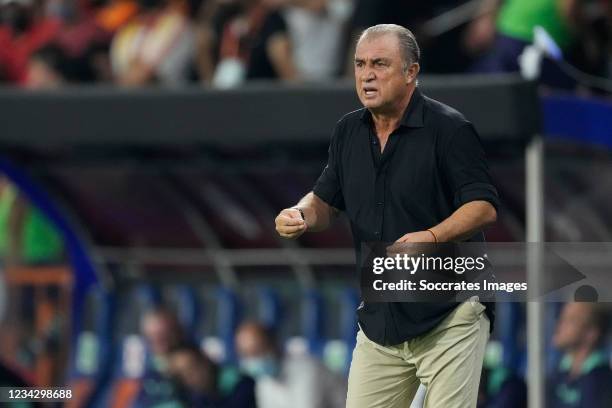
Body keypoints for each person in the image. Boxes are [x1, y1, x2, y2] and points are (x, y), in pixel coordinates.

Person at [274, 24, 499, 407]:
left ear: (411, 72)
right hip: (381, 318)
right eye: (361, 64)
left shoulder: (449, 129)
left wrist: (430, 237)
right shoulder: (348, 131)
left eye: (380, 63)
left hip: (449, 312)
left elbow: (483, 207)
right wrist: (301, 213)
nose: (367, 74)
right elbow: (326, 200)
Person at [235, 321, 346, 408]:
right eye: (246, 354)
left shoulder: (307, 370)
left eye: (257, 351)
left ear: (274, 345)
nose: (252, 360)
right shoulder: (264, 382)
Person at [547, 302, 612, 408]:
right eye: (561, 318)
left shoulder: (601, 381)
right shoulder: (559, 373)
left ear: (591, 333)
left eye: (570, 320)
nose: (559, 325)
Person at [167, 343, 257, 408]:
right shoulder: (191, 398)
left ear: (205, 360)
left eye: (193, 366)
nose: (190, 375)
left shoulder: (240, 383)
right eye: (182, 373)